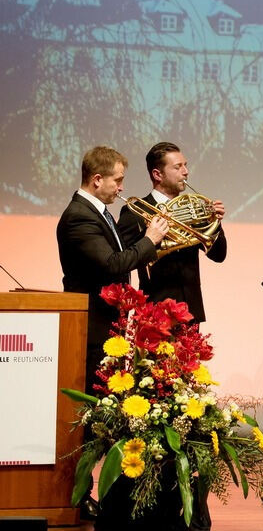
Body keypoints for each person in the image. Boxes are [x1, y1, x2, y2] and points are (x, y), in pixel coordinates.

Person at [56, 146, 169, 394]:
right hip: (91, 326)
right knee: (94, 399)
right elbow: (112, 264)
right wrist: (150, 240)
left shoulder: (98, 213)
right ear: (97, 180)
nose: (121, 188)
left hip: (106, 324)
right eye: (117, 180)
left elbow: (120, 253)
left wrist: (146, 238)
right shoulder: (79, 216)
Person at [117, 142, 227, 323]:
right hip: (154, 313)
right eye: (178, 167)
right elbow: (123, 261)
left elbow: (219, 255)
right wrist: (150, 238)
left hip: (190, 312)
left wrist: (215, 221)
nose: (185, 171)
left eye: (185, 165)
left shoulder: (195, 207)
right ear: (157, 174)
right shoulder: (135, 211)